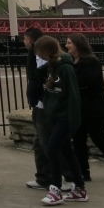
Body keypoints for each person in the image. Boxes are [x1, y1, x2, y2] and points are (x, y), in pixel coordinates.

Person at [66, 33, 104, 182]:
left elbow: (85, 80)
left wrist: (68, 79)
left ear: (78, 45)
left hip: (95, 109)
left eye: (69, 43)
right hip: (80, 108)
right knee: (78, 141)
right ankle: (83, 172)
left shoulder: (90, 62)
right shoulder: (72, 62)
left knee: (99, 139)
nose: (66, 45)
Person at [35, 35, 88, 206]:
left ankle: (55, 189)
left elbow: (73, 95)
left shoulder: (66, 69)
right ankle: (80, 188)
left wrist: (74, 121)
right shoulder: (52, 66)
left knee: (51, 150)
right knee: (67, 152)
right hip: (55, 114)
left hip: (64, 116)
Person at [23, 27, 74, 191]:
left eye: (24, 38)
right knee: (39, 142)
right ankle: (43, 176)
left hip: (45, 105)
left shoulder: (43, 57)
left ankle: (68, 177)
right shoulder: (37, 55)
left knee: (48, 144)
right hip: (38, 104)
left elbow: (37, 77)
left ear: (29, 40)